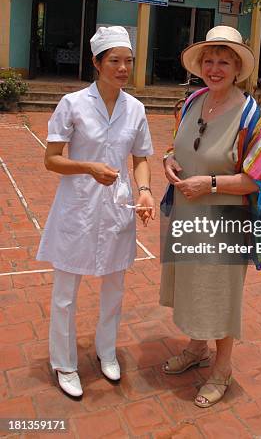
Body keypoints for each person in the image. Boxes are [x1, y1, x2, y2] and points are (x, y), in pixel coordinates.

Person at [160, 26, 261, 408]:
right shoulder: (193, 100)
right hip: (187, 215)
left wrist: (209, 184)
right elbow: (177, 145)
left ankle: (222, 369)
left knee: (221, 294)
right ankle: (197, 348)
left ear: (236, 68)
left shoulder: (249, 115)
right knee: (195, 287)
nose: (215, 68)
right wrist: (168, 160)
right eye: (209, 60)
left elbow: (259, 179)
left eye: (223, 62)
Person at [37, 25, 155, 398]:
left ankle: (107, 352)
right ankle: (64, 363)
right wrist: (89, 167)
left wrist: (147, 191)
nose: (123, 68)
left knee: (114, 288)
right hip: (77, 208)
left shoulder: (135, 108)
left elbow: (140, 159)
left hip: (117, 207)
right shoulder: (72, 104)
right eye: (115, 60)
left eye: (128, 61)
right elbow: (51, 160)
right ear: (97, 63)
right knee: (66, 293)